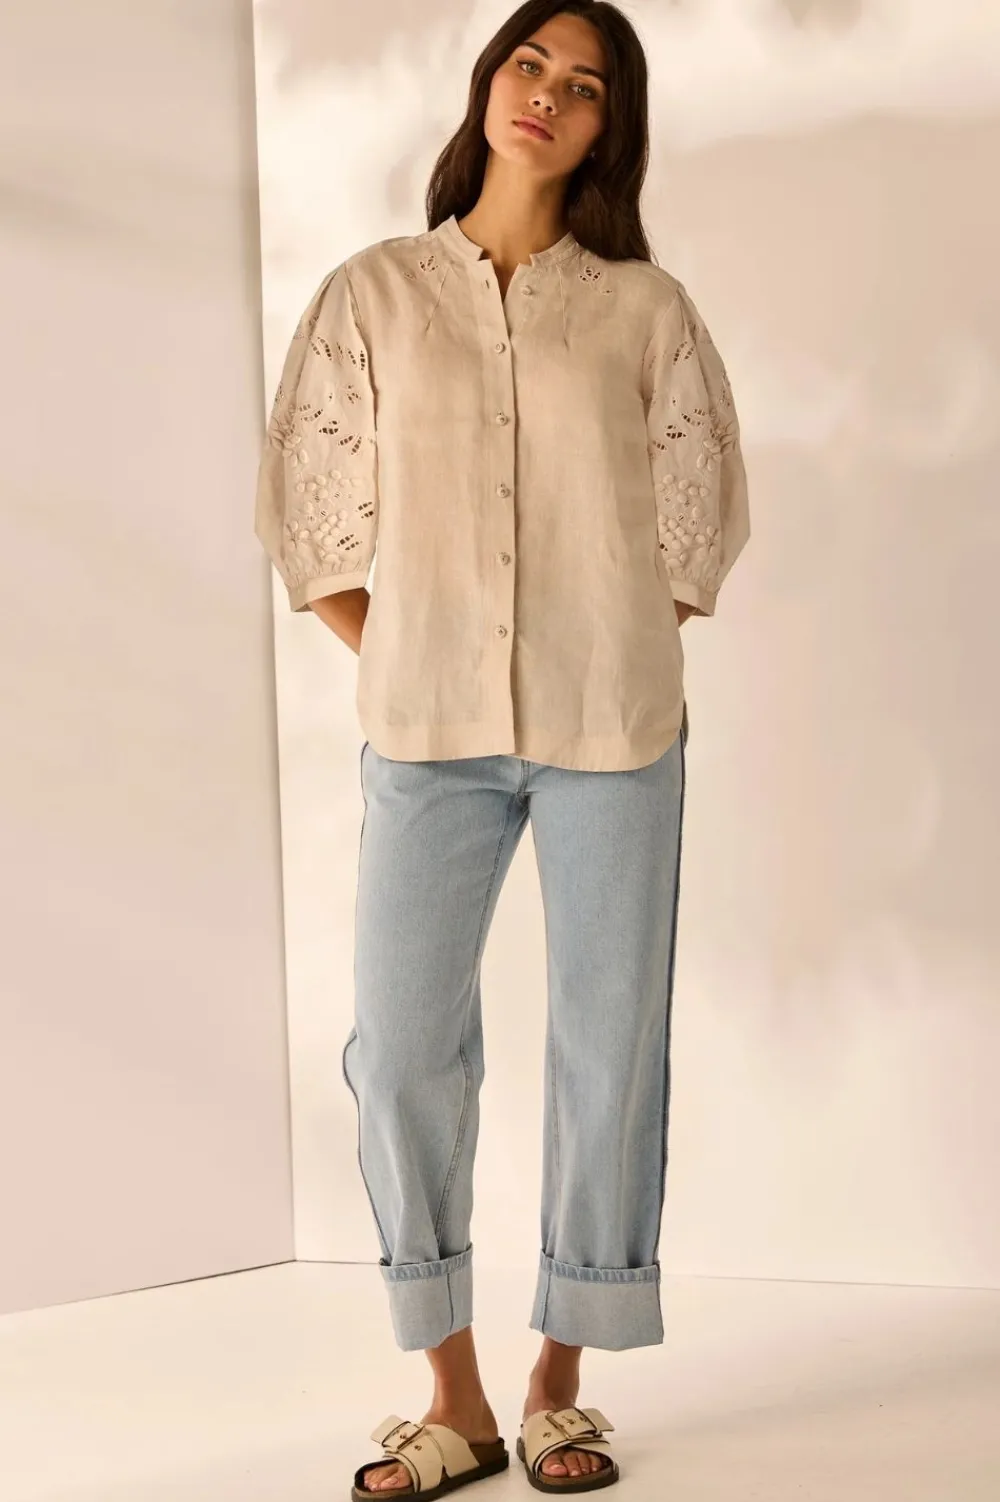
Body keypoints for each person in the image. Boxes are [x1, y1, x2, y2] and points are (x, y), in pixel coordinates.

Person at [254, 2, 749, 1494]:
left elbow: (697, 525)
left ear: (608, 130)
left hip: (615, 733)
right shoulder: (373, 294)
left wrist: (592, 646)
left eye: (584, 86)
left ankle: (558, 1382)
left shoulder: (645, 309)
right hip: (427, 739)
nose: (548, 94)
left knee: (610, 1047)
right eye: (531, 63)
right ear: (490, 83)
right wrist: (423, 654)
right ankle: (455, 1395)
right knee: (402, 1049)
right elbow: (312, 523)